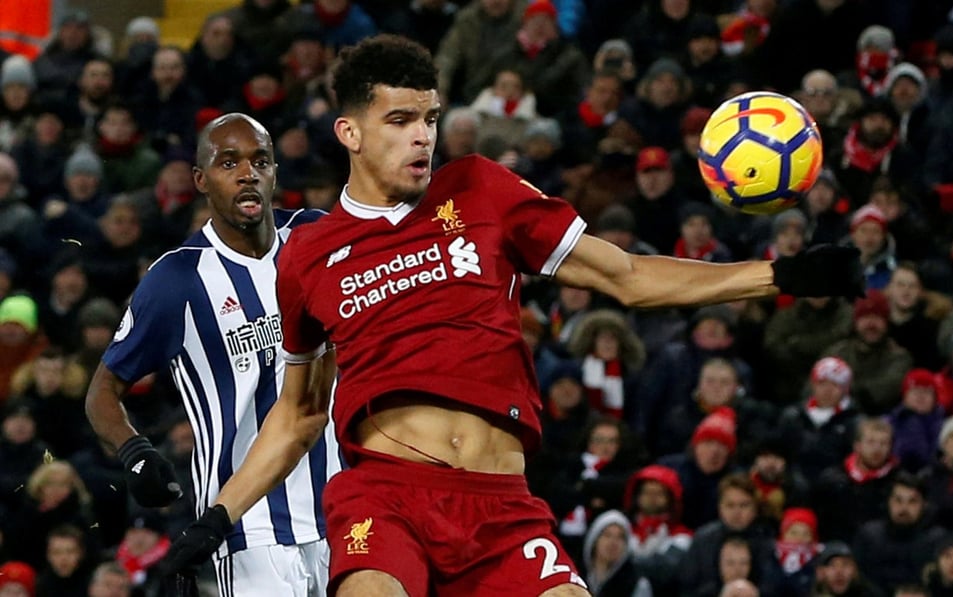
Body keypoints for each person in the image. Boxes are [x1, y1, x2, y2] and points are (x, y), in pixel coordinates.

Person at [160, 35, 862, 597]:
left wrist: (780, 275)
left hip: (501, 502)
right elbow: (300, 411)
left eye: (429, 119)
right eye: (399, 121)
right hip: (386, 493)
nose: (421, 138)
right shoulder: (307, 254)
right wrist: (217, 516)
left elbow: (628, 276)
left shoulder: (482, 190)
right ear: (349, 130)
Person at [83, 113, 340, 595]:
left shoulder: (316, 239)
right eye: (228, 163)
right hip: (247, 526)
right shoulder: (177, 279)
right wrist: (135, 451)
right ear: (201, 180)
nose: (248, 173)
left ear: (275, 173)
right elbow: (101, 391)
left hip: (347, 510)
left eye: (260, 161)